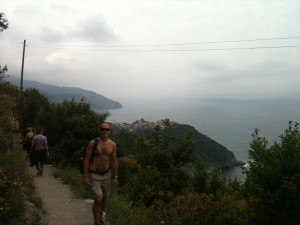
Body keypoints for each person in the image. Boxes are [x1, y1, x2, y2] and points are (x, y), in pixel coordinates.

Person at [82, 122, 118, 225]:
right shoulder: (93, 143)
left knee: (104, 199)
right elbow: (86, 160)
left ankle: (100, 218)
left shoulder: (112, 145)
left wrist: (115, 177)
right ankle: (97, 222)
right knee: (98, 198)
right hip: (94, 174)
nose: (105, 131)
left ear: (109, 131)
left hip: (107, 175)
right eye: (103, 129)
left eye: (107, 129)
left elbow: (114, 161)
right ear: (99, 130)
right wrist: (85, 176)